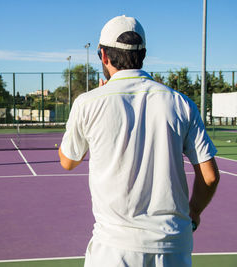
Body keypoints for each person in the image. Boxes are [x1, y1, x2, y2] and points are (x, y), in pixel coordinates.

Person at [58, 15, 220, 267]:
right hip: (173, 247)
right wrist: (194, 213)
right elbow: (209, 177)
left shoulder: (87, 103)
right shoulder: (182, 104)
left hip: (113, 250)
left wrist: (97, 100)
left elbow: (68, 161)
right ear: (143, 53)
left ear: (103, 56)